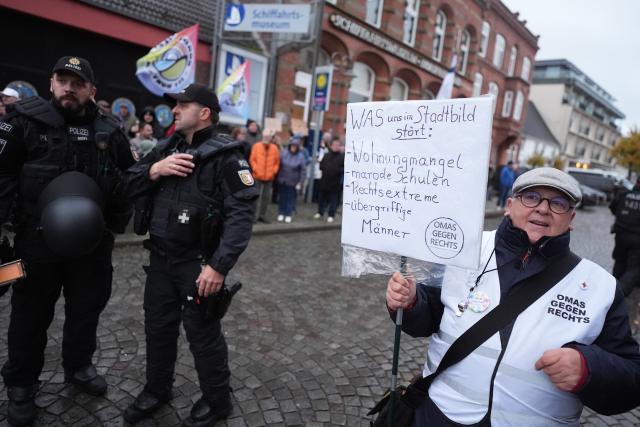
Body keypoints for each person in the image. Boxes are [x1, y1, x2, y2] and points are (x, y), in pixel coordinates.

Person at [386, 167, 640, 426]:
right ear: (509, 205)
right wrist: (411, 302)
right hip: (440, 413)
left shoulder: (600, 286)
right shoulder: (464, 250)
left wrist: (590, 369)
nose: (543, 208)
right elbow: (429, 316)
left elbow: (632, 377)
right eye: (531, 197)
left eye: (558, 203)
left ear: (571, 218)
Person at [0, 56, 135, 426]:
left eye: (77, 83)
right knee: (29, 316)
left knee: (86, 310)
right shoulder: (23, 122)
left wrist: (115, 225)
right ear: (51, 83)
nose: (68, 88)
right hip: (35, 242)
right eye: (62, 80)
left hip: (92, 245)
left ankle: (78, 366)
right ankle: (22, 384)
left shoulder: (110, 129)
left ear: (92, 91)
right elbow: (2, 175)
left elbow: (128, 179)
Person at [122, 83, 258, 426]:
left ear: (205, 113)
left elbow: (242, 215)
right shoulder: (166, 148)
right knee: (158, 328)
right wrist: (156, 170)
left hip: (198, 265)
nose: (176, 109)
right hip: (160, 259)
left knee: (203, 334)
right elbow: (127, 184)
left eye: (184, 104)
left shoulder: (228, 156)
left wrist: (218, 266)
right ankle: (157, 389)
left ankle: (217, 401)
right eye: (176, 104)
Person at [609, 176, 640, 296]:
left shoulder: (624, 194)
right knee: (634, 267)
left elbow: (613, 208)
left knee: (619, 261)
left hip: (621, 234)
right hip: (637, 239)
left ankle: (614, 288)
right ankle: (619, 293)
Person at [249, 130, 280, 223]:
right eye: (265, 136)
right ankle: (253, 216)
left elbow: (277, 162)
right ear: (262, 136)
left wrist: (273, 172)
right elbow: (252, 160)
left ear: (271, 138)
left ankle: (262, 215)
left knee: (266, 198)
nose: (266, 137)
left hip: (269, 177)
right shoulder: (256, 146)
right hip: (257, 176)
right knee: (255, 197)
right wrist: (256, 170)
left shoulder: (275, 148)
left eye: (268, 136)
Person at [276, 135, 306, 223]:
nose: (293, 147)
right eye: (292, 146)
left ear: (298, 147)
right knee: (282, 197)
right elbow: (279, 164)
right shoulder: (284, 153)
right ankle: (281, 213)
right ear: (290, 145)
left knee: (290, 198)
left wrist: (300, 182)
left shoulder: (301, 156)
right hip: (282, 180)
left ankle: (288, 214)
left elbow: (303, 170)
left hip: (293, 182)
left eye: (295, 146)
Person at [314, 137, 344, 223]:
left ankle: (331, 215)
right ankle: (320, 212)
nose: (335, 146)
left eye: (337, 145)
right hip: (324, 181)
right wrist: (326, 168)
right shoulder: (326, 155)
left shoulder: (342, 157)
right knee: (321, 199)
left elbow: (344, 169)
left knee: (333, 200)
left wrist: (336, 170)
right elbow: (321, 166)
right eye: (334, 145)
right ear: (331, 146)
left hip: (335, 183)